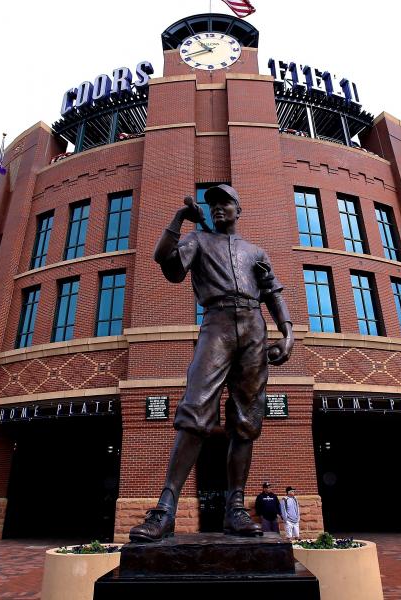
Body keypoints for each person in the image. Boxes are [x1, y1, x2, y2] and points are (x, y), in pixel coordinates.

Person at [129, 185, 294, 542]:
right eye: (213, 204)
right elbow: (166, 262)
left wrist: (288, 332)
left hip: (254, 327)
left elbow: (272, 292)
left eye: (225, 203)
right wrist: (178, 219)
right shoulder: (198, 240)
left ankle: (235, 508)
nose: (218, 208)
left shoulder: (255, 251)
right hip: (216, 323)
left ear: (238, 208)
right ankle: (165, 509)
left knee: (247, 420)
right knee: (195, 410)